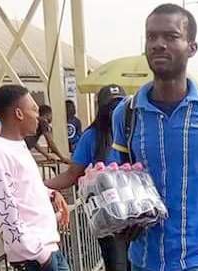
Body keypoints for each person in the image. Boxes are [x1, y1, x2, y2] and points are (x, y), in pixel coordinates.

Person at [108, 4, 198, 271]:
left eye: (171, 36)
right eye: (151, 37)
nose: (158, 44)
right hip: (142, 261)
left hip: (195, 261)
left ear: (192, 47)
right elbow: (120, 184)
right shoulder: (126, 115)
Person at [45, 85, 129, 271]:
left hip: (138, 218)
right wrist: (40, 187)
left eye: (120, 105)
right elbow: (72, 175)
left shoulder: (137, 133)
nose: (115, 110)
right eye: (110, 105)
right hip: (110, 221)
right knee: (118, 265)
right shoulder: (91, 137)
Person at [0, 84, 70, 271]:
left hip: (48, 250)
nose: (38, 116)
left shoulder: (19, 146)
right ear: (18, 114)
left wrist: (51, 194)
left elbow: (25, 186)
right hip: (36, 258)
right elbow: (3, 209)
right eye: (34, 110)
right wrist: (39, 254)